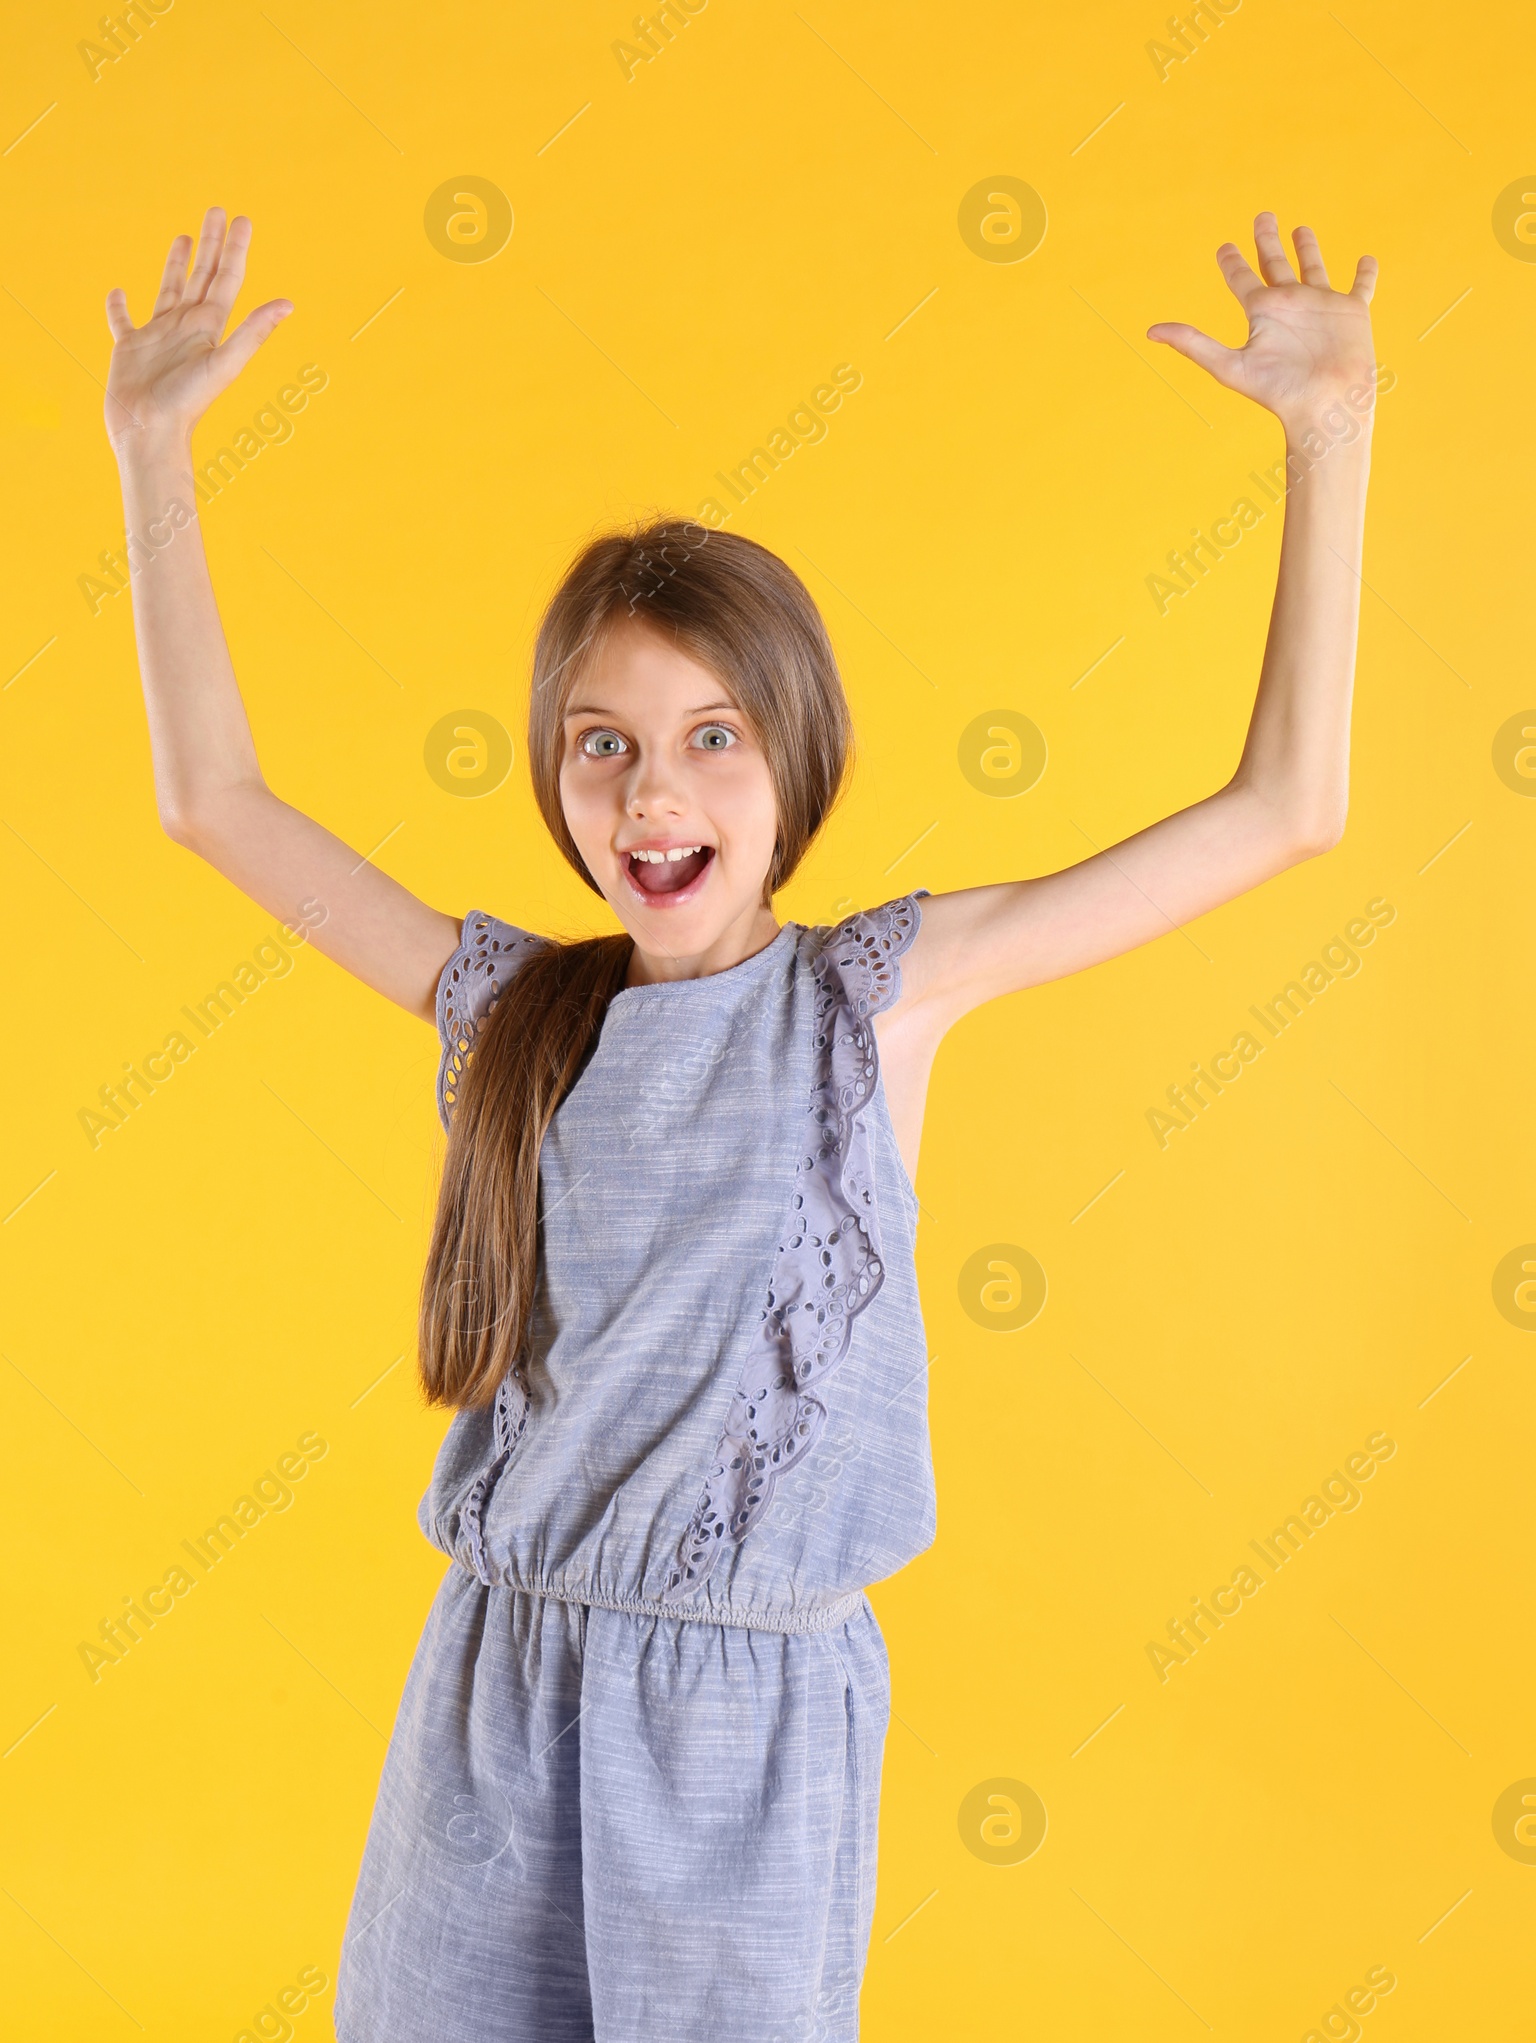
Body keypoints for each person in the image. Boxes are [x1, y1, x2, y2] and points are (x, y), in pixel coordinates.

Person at [103, 204, 1378, 2041]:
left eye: (713, 735)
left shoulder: (877, 997)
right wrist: (153, 447)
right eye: (601, 739)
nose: (652, 787)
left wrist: (1328, 436)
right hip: (495, 1686)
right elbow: (215, 800)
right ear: (553, 770)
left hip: (743, 1725)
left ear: (795, 761)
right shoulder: (514, 1011)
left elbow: (1286, 812)